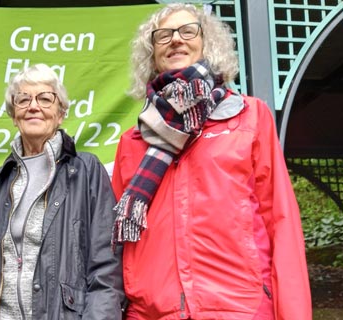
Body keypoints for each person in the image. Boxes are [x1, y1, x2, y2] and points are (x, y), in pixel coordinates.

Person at [111, 3, 311, 319]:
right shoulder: (132, 142)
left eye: (188, 31)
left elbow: (281, 222)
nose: (176, 40)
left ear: (209, 44)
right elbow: (117, 244)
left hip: (240, 308)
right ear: (151, 54)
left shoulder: (250, 116)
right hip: (152, 313)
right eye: (163, 36)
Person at [0, 64, 124, 319]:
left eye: (45, 99)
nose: (33, 106)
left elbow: (106, 269)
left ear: (61, 114)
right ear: (14, 115)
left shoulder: (86, 171)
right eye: (23, 99)